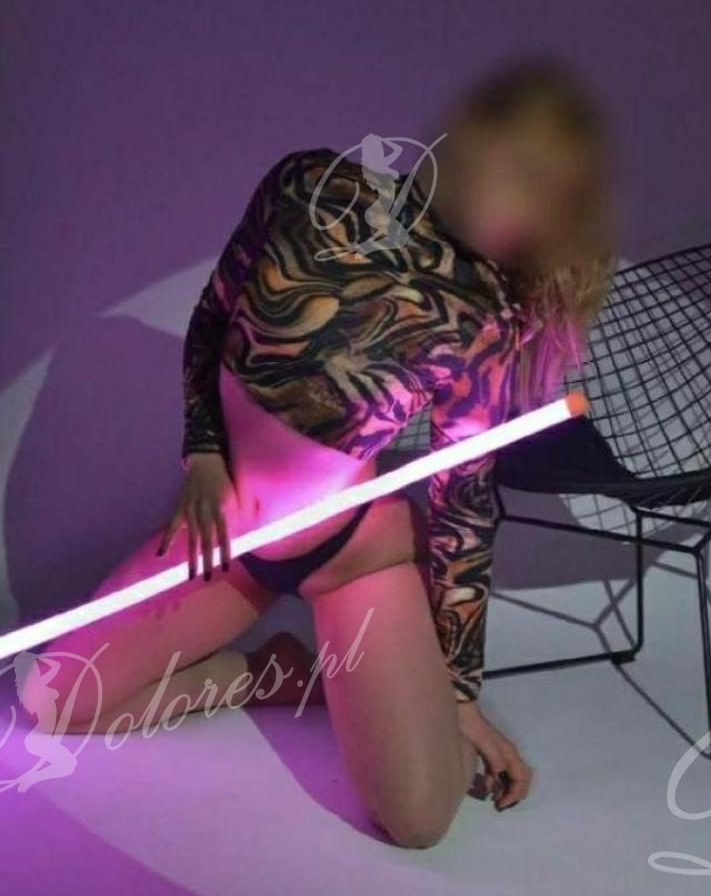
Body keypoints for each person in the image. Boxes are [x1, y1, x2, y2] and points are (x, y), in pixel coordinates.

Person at [20, 54, 617, 848]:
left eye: (548, 195)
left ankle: (387, 682)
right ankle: (270, 674)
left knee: (419, 822)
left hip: (351, 551)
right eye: (521, 169)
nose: (522, 203)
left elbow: (463, 507)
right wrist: (204, 456)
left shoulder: (486, 319)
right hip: (229, 540)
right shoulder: (309, 186)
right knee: (53, 702)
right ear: (470, 134)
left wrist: (458, 693)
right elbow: (212, 320)